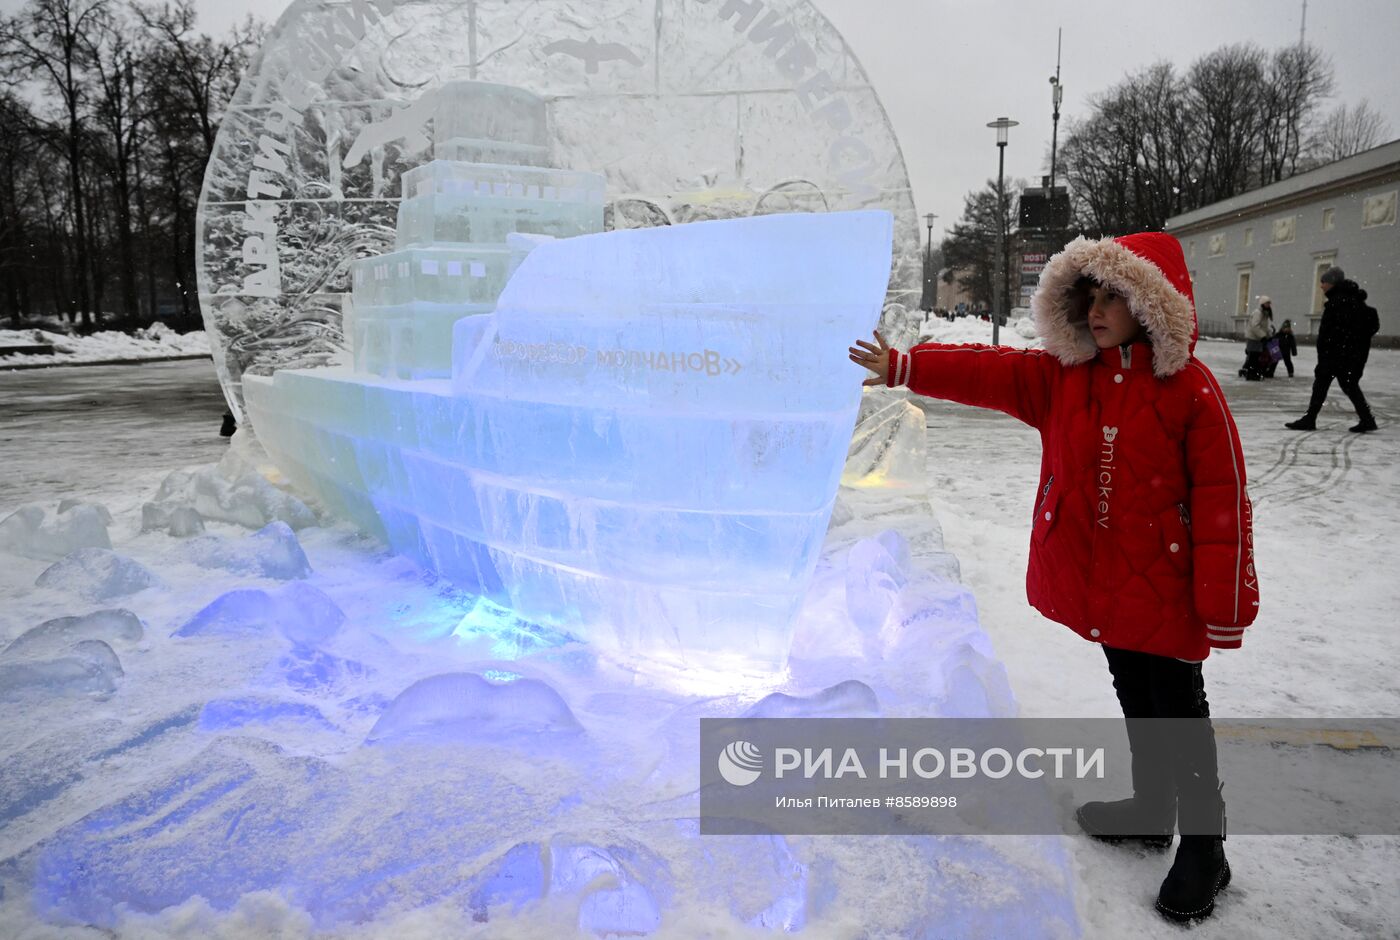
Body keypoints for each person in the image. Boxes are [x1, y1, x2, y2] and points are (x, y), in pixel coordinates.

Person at [850, 232, 1257, 924]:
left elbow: (1224, 499)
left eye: (1112, 299)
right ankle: (1152, 808)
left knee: (1179, 709)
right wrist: (905, 365)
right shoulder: (1067, 377)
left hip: (1170, 589)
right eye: (1089, 299)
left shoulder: (1189, 390)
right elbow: (990, 372)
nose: (1095, 312)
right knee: (1134, 689)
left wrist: (1224, 602)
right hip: (1110, 585)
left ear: (1151, 306)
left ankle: (1206, 845)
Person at [1285, 266, 1379, 432]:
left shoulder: (1340, 302)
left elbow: (1337, 332)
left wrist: (1336, 349)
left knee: (1325, 385)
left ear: (1332, 283)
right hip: (1344, 355)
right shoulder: (1352, 301)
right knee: (1345, 386)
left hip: (1336, 356)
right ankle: (1366, 419)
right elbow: (1368, 326)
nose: (1321, 286)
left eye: (1324, 282)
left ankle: (1310, 419)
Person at [1239, 296, 1274, 381]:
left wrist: (1269, 335)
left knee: (1256, 357)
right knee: (1253, 357)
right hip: (1253, 338)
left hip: (1257, 338)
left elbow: (1265, 327)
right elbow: (1255, 326)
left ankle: (1253, 373)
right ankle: (1251, 374)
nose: (1268, 305)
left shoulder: (1264, 313)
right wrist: (1262, 336)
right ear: (1262, 304)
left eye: (1269, 303)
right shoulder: (1258, 313)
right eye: (1267, 303)